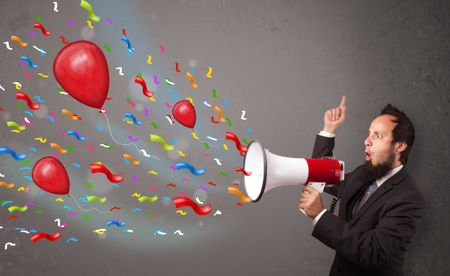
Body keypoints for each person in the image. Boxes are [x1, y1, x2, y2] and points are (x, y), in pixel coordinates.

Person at [299, 96, 425, 276]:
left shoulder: (409, 198)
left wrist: (320, 215)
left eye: (378, 135)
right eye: (369, 133)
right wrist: (329, 129)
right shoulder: (362, 173)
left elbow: (373, 251)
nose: (367, 140)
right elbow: (324, 177)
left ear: (400, 146)